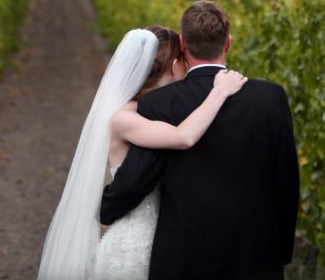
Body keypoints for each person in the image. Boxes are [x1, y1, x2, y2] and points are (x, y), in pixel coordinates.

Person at [100, 0, 300, 280]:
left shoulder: (159, 104)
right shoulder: (270, 97)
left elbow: (136, 181)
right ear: (228, 43)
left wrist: (106, 208)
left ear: (183, 43)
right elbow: (286, 182)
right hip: (256, 256)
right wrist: (280, 253)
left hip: (184, 257)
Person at [38, 22, 247, 280]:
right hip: (135, 250)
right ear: (174, 66)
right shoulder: (124, 118)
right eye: (183, 59)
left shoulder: (151, 111)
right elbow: (184, 137)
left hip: (163, 243)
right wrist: (219, 92)